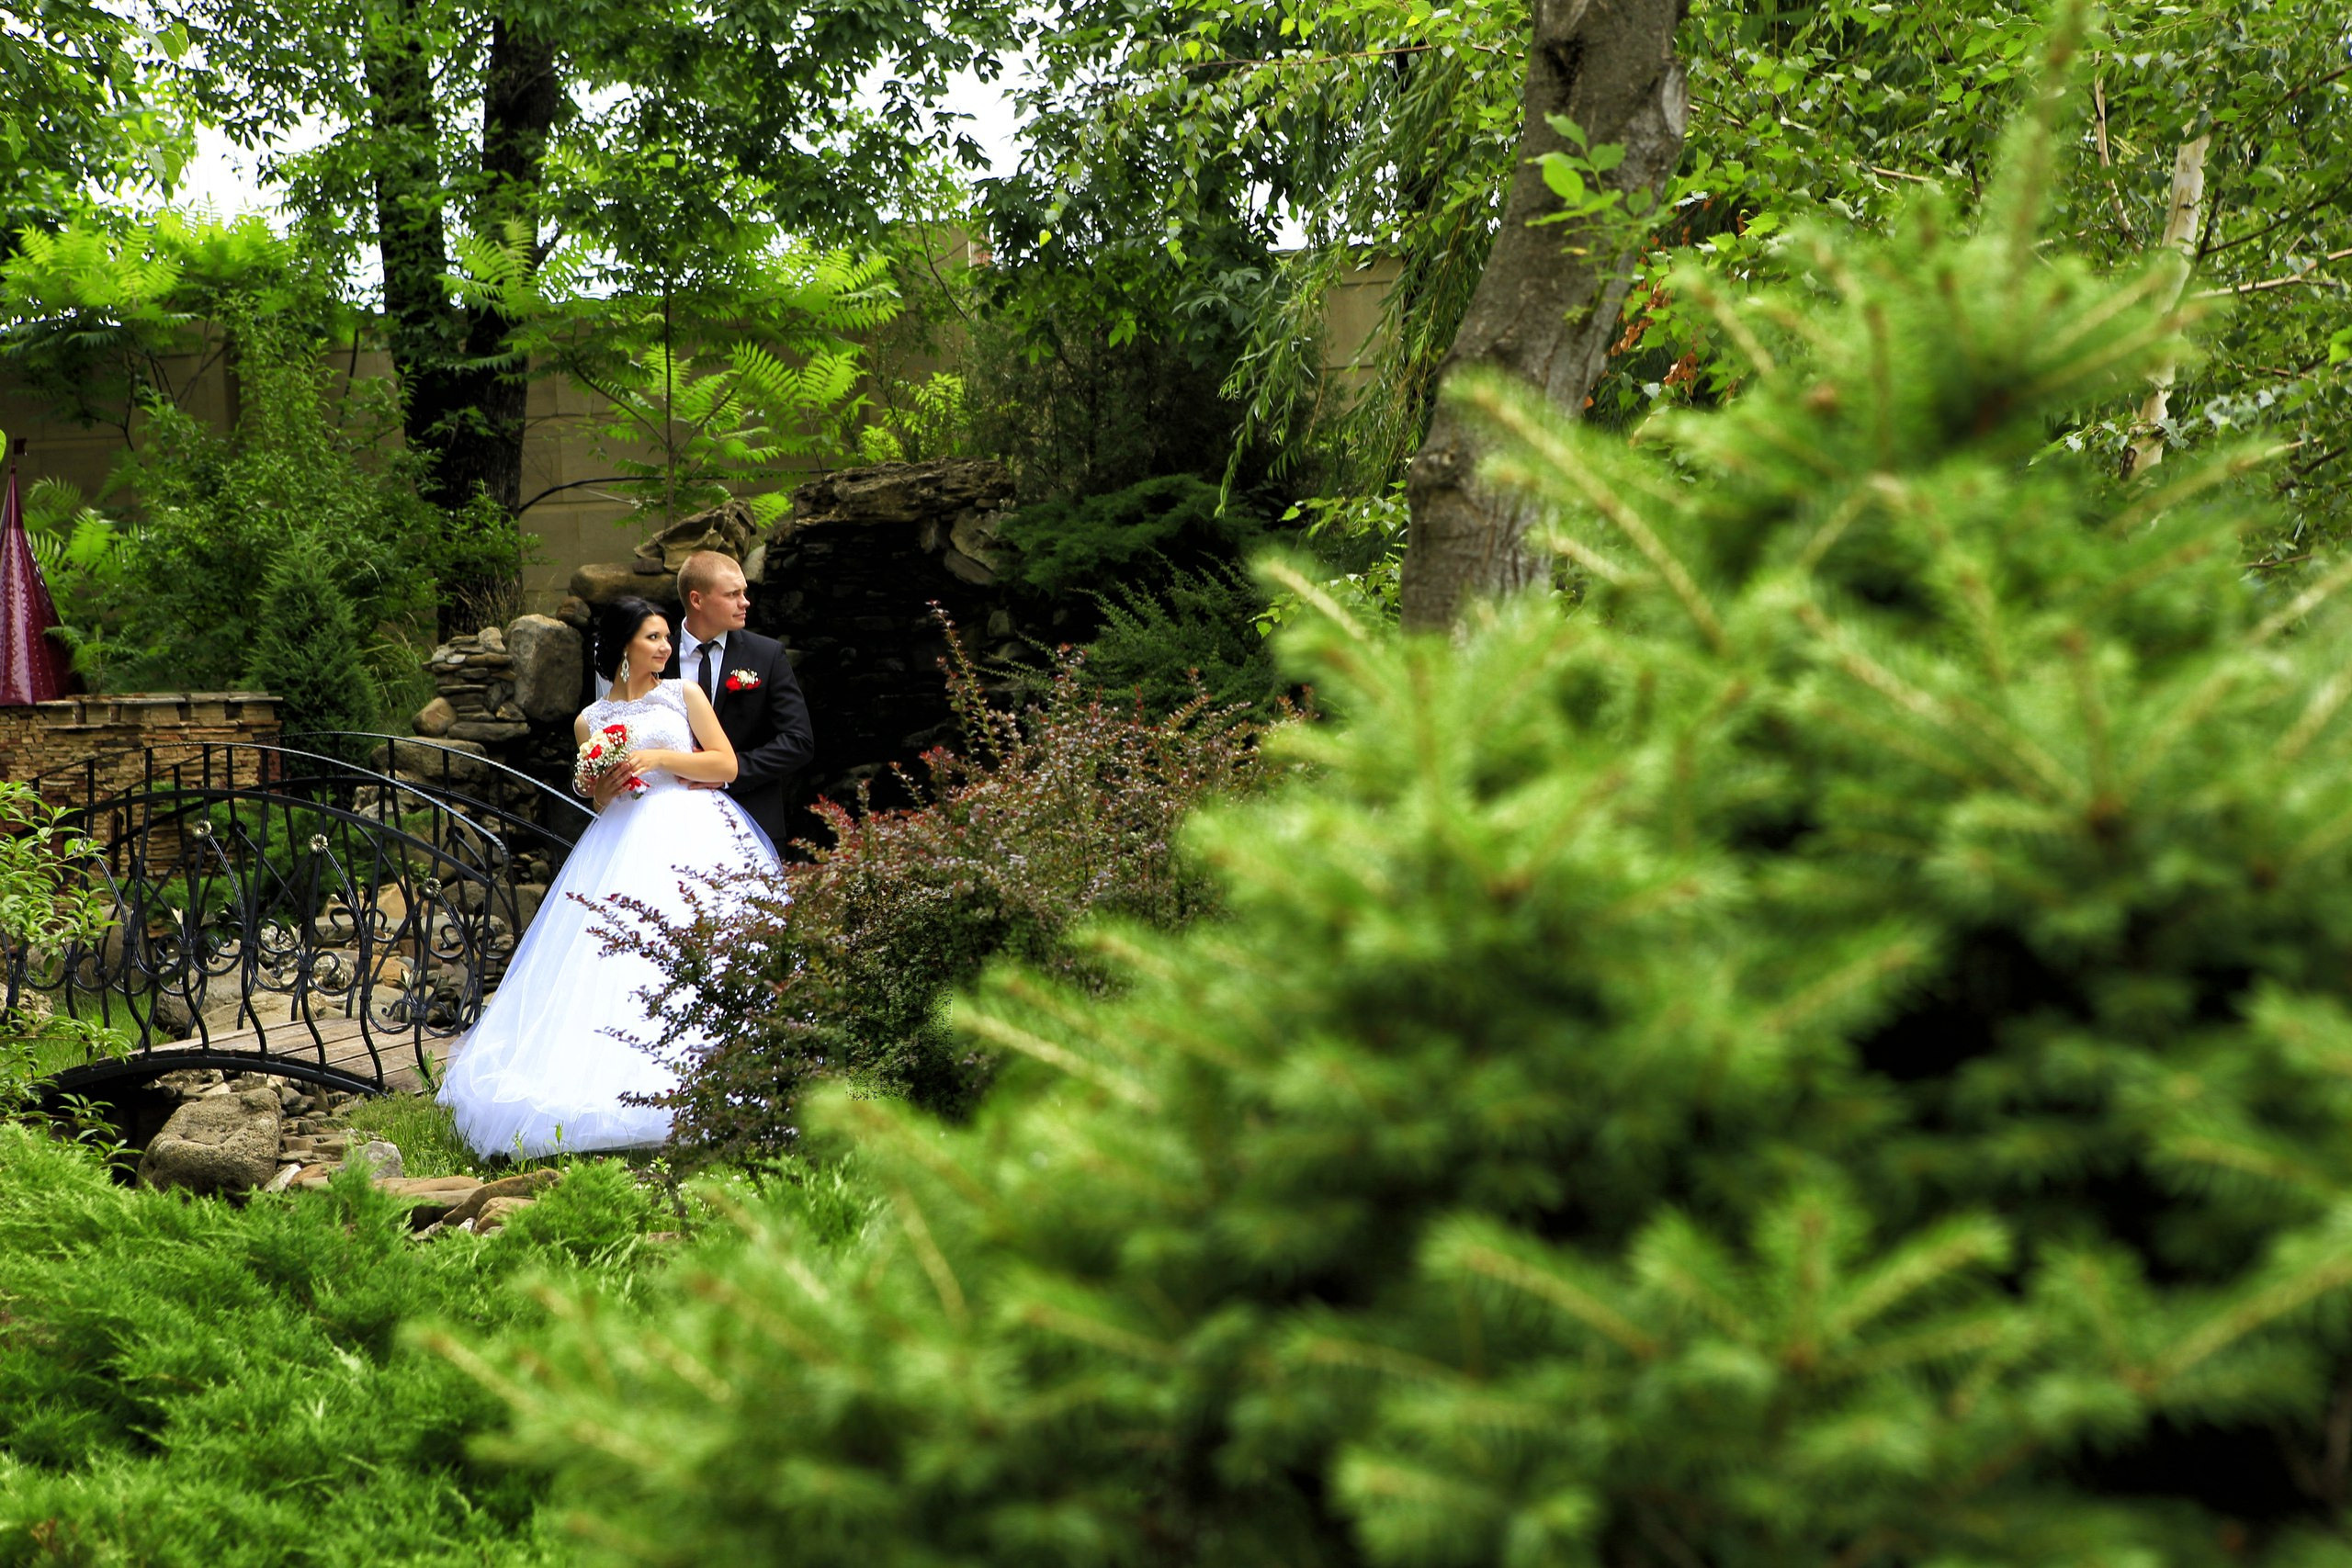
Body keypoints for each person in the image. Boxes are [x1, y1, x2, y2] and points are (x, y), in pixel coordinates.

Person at [436, 596, 780, 1157]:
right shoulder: (590, 721)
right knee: (615, 958)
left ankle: (727, 1074)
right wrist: (606, 783)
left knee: (707, 945)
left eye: (667, 638)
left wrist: (662, 761)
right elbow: (598, 800)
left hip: (693, 830)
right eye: (653, 637)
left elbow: (725, 764)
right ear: (624, 645)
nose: (666, 647)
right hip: (620, 842)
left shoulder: (682, 694)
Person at [662, 549, 814, 852]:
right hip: (668, 821)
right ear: (697, 600)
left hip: (751, 820)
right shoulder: (657, 655)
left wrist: (730, 772)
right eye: (733, 594)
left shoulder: (766, 655)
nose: (745, 602)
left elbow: (799, 741)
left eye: (743, 592)